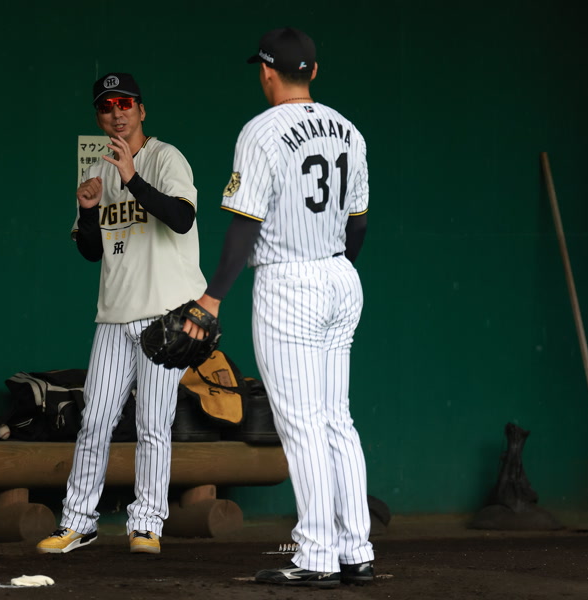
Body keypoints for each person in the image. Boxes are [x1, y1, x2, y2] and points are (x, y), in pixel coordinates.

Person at [186, 28, 375, 587]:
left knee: (302, 424)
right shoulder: (349, 130)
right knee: (336, 418)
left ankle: (316, 554)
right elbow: (358, 225)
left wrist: (212, 296)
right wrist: (333, 268)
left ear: (267, 72)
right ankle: (355, 548)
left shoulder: (261, 130)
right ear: (312, 72)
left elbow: (244, 227)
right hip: (340, 276)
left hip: (289, 281)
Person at [37, 72, 206, 555]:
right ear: (99, 116)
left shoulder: (165, 157)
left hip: (166, 315)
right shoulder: (98, 168)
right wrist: (90, 209)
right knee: (94, 421)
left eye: (125, 103)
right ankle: (79, 522)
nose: (117, 112)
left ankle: (147, 524)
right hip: (113, 316)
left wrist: (132, 177)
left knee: (153, 424)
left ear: (141, 110)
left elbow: (182, 218)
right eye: (107, 106)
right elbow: (92, 251)